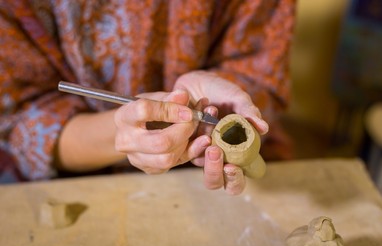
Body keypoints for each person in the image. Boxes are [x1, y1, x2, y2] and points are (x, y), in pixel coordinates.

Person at [0, 0, 295, 195]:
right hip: (77, 172)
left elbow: (259, 70)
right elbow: (20, 123)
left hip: (207, 160)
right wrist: (120, 132)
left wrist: (234, 100)